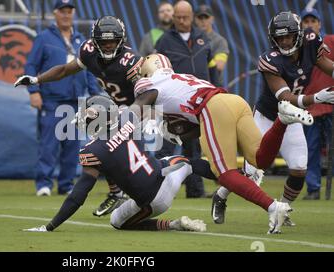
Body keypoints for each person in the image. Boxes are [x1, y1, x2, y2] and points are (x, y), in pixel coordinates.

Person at [132, 53, 316, 234]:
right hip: (235, 101)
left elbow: (138, 107)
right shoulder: (182, 78)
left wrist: (116, 123)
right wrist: (178, 132)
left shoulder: (149, 83)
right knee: (260, 159)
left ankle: (273, 207)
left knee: (225, 173)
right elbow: (201, 126)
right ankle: (282, 120)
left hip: (212, 107)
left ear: (148, 71)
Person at [213, 11, 334, 225]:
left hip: (291, 119)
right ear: (272, 39)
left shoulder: (311, 43)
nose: (285, 41)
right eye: (280, 38)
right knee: (252, 171)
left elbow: (328, 66)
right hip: (269, 116)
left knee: (299, 169)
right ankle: (221, 196)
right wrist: (317, 97)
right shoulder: (270, 60)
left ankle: (283, 209)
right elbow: (285, 98)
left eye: (288, 36)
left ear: (298, 35)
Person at [15, 16, 144, 216]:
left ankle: (143, 196)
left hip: (137, 108)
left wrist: (131, 112)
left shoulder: (131, 61)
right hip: (116, 107)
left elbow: (148, 92)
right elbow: (65, 70)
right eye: (104, 41)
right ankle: (118, 194)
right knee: (101, 148)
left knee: (138, 161)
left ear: (121, 39)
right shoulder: (89, 51)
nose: (108, 45)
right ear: (95, 41)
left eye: (112, 40)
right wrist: (36, 79)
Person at [22, 95, 207, 233]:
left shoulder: (92, 150)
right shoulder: (126, 118)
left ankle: (172, 225)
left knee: (117, 221)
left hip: (152, 201)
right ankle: (227, 184)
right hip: (167, 176)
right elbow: (151, 101)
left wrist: (50, 226)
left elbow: (78, 195)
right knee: (190, 164)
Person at [21, 0, 101, 197]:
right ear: (55, 13)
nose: (66, 15)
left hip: (75, 101)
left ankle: (66, 184)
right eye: (62, 11)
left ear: (73, 14)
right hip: (51, 99)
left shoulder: (80, 40)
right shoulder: (44, 38)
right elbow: (31, 66)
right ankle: (44, 184)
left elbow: (89, 69)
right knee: (49, 144)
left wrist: (96, 95)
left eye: (69, 11)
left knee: (72, 145)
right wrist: (34, 92)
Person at [154, 0, 218, 198]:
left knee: (194, 150)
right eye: (178, 17)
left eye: (186, 17)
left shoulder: (203, 38)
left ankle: (195, 191)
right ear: (173, 18)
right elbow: (155, 73)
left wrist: (215, 90)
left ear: (192, 17)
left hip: (197, 104)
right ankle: (154, 188)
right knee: (165, 148)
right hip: (172, 104)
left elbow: (212, 68)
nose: (182, 21)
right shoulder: (164, 41)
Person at [300, 8, 334, 200]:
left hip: (331, 104)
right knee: (310, 151)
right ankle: (313, 189)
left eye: (313, 21)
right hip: (311, 107)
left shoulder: (330, 41)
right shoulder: (298, 46)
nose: (310, 24)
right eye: (306, 21)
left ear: (319, 24)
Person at [194, 4, 229, 85]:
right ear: (195, 20)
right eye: (200, 17)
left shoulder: (220, 41)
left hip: (214, 86)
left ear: (212, 19)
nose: (203, 21)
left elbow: (219, 66)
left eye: (206, 17)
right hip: (195, 86)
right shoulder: (191, 39)